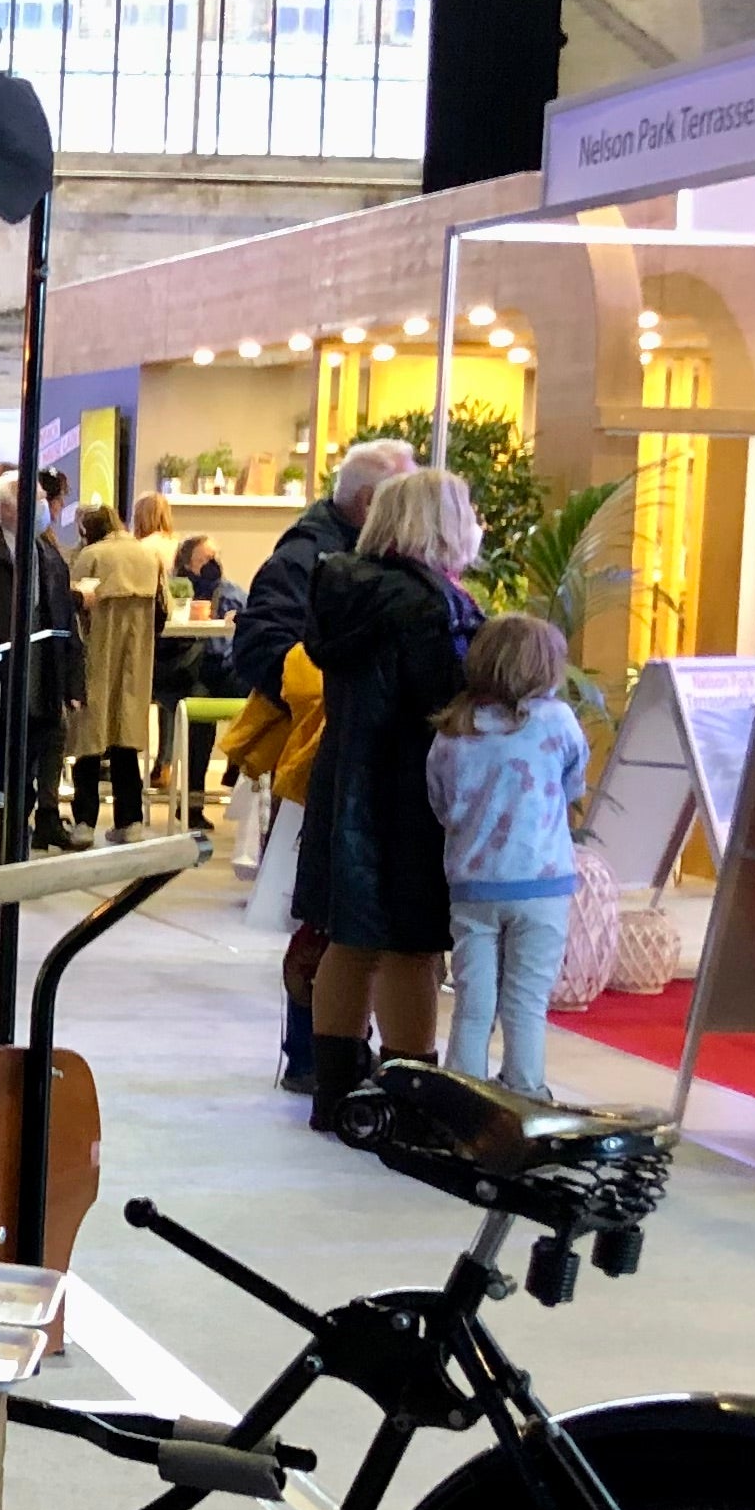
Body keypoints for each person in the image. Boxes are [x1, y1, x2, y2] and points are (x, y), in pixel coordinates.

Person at [296, 465, 483, 1133]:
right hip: (410, 796)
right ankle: (409, 1102)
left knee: (349, 940)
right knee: (412, 946)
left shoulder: (346, 590)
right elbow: (451, 707)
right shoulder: (434, 608)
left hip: (345, 783)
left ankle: (336, 1094)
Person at [236, 435, 419, 1089]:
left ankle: (327, 1060)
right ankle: (315, 1057)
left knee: (340, 918)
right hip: (324, 764)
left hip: (345, 762)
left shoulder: (359, 559)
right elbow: (258, 647)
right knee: (328, 919)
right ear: (370, 502)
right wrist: (330, 689)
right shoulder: (307, 557)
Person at [430, 613, 589, 1097]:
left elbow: (440, 803)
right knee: (526, 1000)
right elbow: (573, 783)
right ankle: (525, 1089)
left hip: (473, 887)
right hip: (543, 884)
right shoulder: (557, 721)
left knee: (473, 1002)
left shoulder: (454, 728)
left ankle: (461, 1093)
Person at [0, 475, 83, 851]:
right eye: (38, 499)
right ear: (7, 509)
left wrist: (73, 683)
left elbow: (65, 624)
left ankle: (15, 840)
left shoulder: (51, 559)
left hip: (41, 680)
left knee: (35, 760)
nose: (45, 508)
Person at [66, 501, 164, 840]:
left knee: (89, 737)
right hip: (137, 657)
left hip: (95, 653)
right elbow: (163, 611)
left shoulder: (91, 556)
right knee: (126, 735)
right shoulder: (148, 556)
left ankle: (84, 822)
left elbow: (71, 606)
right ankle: (130, 820)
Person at [159, 534, 242, 826]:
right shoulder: (173, 592)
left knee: (261, 691)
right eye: (205, 559)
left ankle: (238, 765)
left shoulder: (230, 592)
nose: (212, 564)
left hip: (222, 668)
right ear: (187, 563)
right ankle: (192, 804)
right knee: (199, 710)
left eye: (215, 558)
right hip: (182, 672)